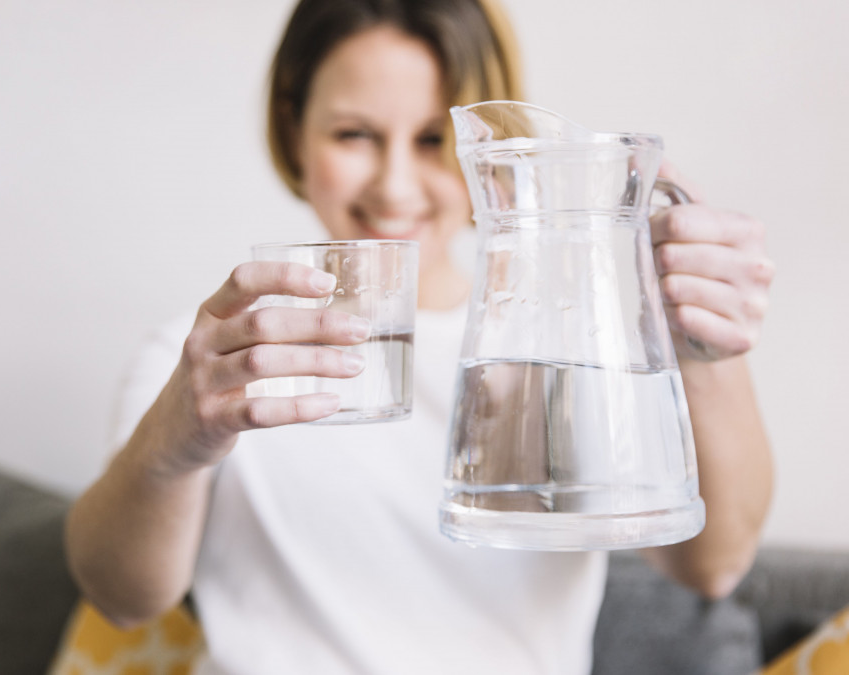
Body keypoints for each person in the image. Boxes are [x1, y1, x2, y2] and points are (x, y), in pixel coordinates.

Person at [65, 0, 775, 672]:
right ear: (293, 131)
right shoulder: (213, 363)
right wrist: (173, 445)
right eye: (354, 134)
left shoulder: (560, 352)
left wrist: (700, 346)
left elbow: (712, 564)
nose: (396, 185)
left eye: (434, 139)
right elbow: (123, 597)